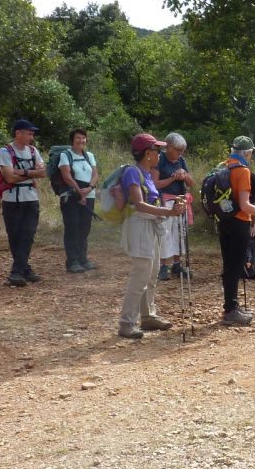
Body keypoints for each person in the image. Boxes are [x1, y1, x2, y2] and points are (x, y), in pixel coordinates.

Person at [116, 133, 187, 339]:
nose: (160, 153)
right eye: (157, 150)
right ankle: (126, 323)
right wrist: (169, 212)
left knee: (153, 271)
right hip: (139, 226)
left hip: (150, 226)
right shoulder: (132, 172)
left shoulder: (146, 173)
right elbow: (138, 204)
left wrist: (170, 209)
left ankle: (148, 316)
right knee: (141, 274)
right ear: (148, 154)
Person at [218, 136, 255, 326]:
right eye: (251, 152)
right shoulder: (243, 171)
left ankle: (230, 306)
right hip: (239, 223)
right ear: (246, 153)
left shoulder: (224, 166)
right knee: (235, 266)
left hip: (223, 222)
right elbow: (245, 205)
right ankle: (231, 310)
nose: (251, 156)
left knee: (229, 265)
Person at [0, 118, 47, 287]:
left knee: (28, 233)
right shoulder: (5, 152)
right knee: (15, 235)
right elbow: (9, 176)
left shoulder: (33, 151)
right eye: (29, 133)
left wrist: (23, 171)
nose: (31, 137)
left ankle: (18, 270)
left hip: (31, 198)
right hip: (11, 200)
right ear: (18, 133)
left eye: (32, 134)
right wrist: (31, 172)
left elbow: (43, 173)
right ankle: (22, 269)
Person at [152, 132, 193, 281]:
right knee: (165, 233)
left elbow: (191, 183)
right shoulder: (159, 159)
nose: (180, 153)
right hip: (164, 201)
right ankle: (162, 266)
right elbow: (154, 184)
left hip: (180, 201)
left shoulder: (181, 160)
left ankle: (177, 264)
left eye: (182, 150)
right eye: (178, 150)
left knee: (179, 234)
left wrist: (184, 175)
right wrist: (173, 177)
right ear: (168, 147)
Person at [58, 128, 99, 273]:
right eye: (78, 138)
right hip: (71, 196)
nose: (81, 141)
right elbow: (66, 176)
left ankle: (83, 258)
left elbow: (95, 174)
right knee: (72, 227)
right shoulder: (65, 155)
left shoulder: (89, 156)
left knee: (85, 227)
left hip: (89, 194)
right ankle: (72, 261)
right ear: (72, 140)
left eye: (83, 138)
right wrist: (79, 192)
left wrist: (89, 188)